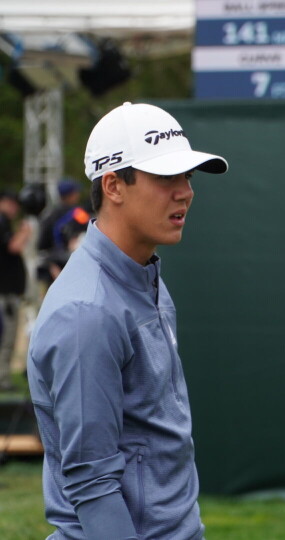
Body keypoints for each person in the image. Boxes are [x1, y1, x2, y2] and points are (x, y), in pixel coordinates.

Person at [27, 102, 228, 539]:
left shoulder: (142, 273)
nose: (185, 192)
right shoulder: (87, 313)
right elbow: (93, 484)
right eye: (165, 177)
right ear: (114, 186)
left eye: (187, 177)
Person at [0, 190, 32, 392]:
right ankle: (3, 379)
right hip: (5, 292)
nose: (15, 208)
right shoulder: (1, 221)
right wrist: (25, 233)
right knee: (6, 336)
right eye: (11, 203)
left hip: (7, 291)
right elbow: (13, 247)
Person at [36, 178, 89, 284]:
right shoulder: (78, 213)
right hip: (74, 261)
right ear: (71, 194)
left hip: (53, 264)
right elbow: (89, 228)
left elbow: (41, 244)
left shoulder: (49, 214)